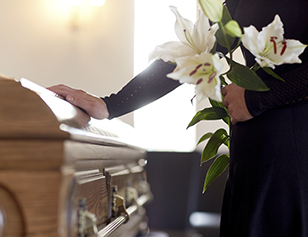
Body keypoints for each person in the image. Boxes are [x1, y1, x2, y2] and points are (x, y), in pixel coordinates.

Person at [49, 0, 308, 235]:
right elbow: (191, 53)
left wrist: (257, 98)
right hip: (254, 157)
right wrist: (110, 104)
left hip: (295, 158)